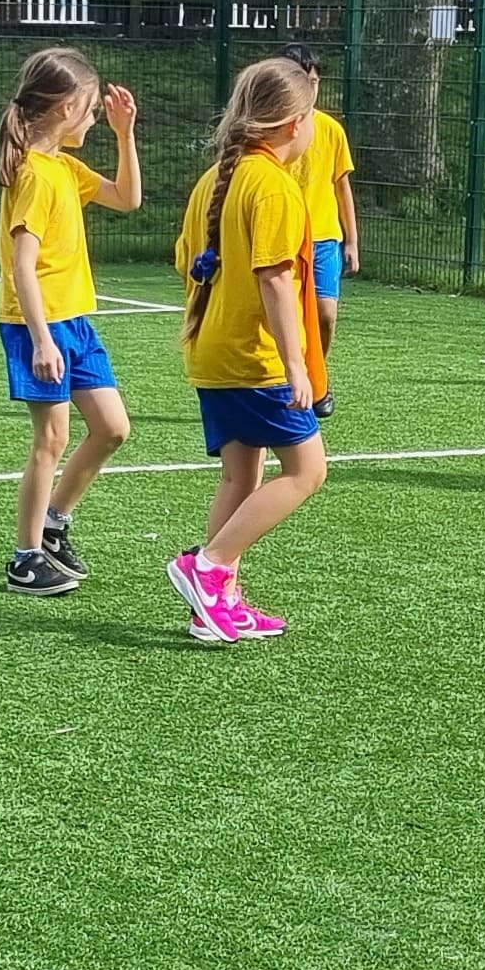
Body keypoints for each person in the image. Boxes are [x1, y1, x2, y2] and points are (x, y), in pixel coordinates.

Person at [165, 59, 324, 645]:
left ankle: (215, 604)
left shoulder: (216, 178)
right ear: (293, 124)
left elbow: (187, 260)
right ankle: (207, 568)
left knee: (240, 476)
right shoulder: (274, 186)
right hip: (252, 360)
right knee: (307, 471)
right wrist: (296, 364)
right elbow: (275, 280)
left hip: (212, 353)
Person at [0, 48, 145, 596]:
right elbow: (21, 265)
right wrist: (40, 339)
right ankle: (25, 557)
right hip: (40, 326)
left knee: (111, 429)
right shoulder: (33, 173)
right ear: (62, 107)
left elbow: (127, 199)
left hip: (75, 320)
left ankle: (54, 523)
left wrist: (126, 135)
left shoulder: (64, 166)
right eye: (90, 108)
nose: (94, 118)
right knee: (51, 438)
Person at [282, 44, 360, 412]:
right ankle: (287, 379)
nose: (311, 88)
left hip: (325, 238)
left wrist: (352, 241)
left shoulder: (330, 130)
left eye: (315, 81)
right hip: (284, 237)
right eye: (303, 81)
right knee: (284, 314)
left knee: (325, 313)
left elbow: (342, 185)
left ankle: (318, 377)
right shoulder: (274, 130)